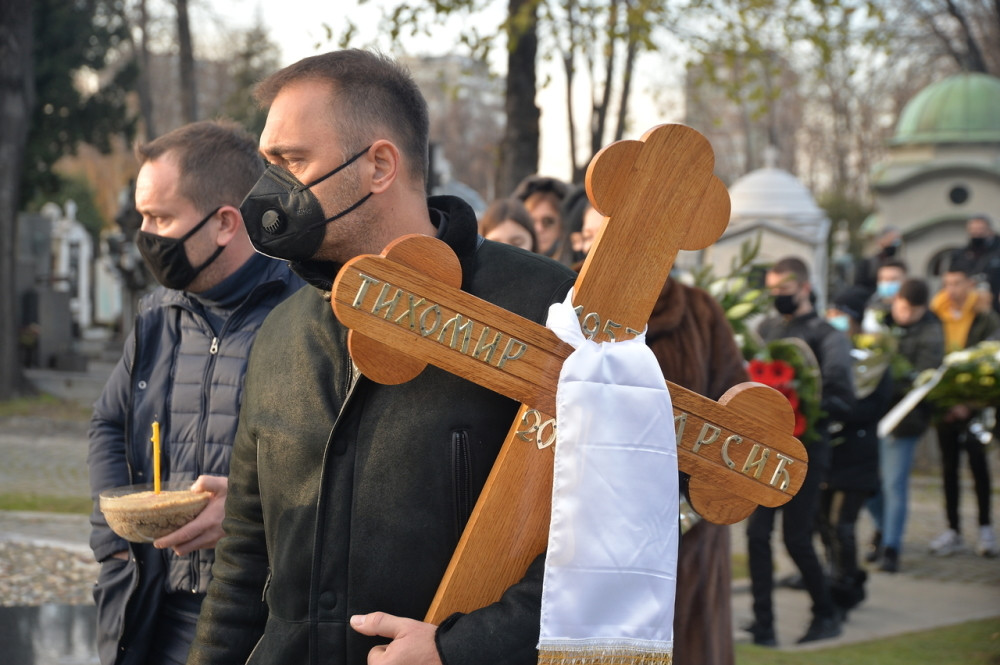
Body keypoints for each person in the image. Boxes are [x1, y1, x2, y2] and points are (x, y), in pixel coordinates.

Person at [187, 50, 577, 665]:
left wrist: (462, 649)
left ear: (378, 166)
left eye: (293, 161)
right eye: (269, 163)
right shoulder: (282, 330)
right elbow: (242, 561)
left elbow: (616, 532)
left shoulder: (550, 308)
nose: (270, 189)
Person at [87, 120, 305, 665]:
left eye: (160, 218)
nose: (146, 236)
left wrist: (252, 513)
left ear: (225, 223)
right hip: (153, 609)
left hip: (259, 618)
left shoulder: (304, 315)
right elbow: (109, 424)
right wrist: (115, 543)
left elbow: (336, 458)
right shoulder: (156, 315)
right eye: (143, 217)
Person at [745, 256, 856, 646]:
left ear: (805, 289)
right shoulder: (767, 328)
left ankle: (825, 612)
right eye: (773, 291)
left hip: (808, 447)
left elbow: (843, 397)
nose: (779, 298)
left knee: (796, 538)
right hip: (766, 447)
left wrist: (801, 401)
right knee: (757, 535)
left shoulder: (829, 335)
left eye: (786, 292)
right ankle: (764, 624)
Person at [646, 275, 749, 665]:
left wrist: (692, 504)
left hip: (689, 528)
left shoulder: (700, 312)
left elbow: (738, 430)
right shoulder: (569, 299)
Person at [820, 286, 893, 615]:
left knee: (843, 524)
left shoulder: (874, 359)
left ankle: (846, 584)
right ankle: (836, 574)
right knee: (822, 521)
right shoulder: (831, 349)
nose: (834, 319)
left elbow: (875, 406)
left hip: (858, 453)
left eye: (841, 314)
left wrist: (840, 407)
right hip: (830, 453)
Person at [865, 278, 944, 572]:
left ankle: (891, 547)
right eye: (901, 307)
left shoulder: (932, 332)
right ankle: (882, 527)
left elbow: (922, 377)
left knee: (893, 484)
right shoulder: (879, 323)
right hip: (872, 414)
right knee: (866, 484)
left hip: (905, 418)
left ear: (923, 309)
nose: (904, 314)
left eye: (911, 310)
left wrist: (888, 374)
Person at [928, 262, 1000, 557]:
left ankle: (985, 527)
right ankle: (953, 528)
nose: (952, 290)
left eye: (957, 283)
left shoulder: (985, 317)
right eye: (947, 283)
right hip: (945, 405)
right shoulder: (937, 314)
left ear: (970, 284)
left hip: (975, 406)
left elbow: (990, 361)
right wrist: (944, 400)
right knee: (948, 468)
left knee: (978, 465)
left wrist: (970, 404)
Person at [512, 174, 577, 266]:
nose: (539, 228)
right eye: (530, 221)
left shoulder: (578, 272)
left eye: (548, 221)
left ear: (562, 225)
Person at [952, 214, 1000, 314]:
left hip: (995, 307)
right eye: (974, 230)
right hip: (968, 309)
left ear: (989, 230)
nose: (977, 233)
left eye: (981, 229)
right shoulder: (961, 255)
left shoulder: (997, 252)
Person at [855, 226, 903, 296]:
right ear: (881, 240)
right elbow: (859, 286)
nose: (895, 242)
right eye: (892, 238)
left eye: (897, 239)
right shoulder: (868, 264)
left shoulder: (900, 262)